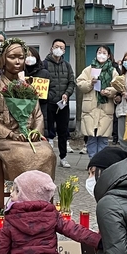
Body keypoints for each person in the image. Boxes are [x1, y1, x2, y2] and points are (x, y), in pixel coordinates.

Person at [0, 38, 57, 180]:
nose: (17, 62)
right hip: (3, 140)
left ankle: (41, 194)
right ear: (3, 60)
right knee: (20, 155)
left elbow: (38, 115)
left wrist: (36, 132)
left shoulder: (28, 87)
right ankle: (20, 193)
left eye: (21, 58)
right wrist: (10, 134)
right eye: (12, 57)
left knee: (48, 153)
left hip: (27, 138)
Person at [76, 46, 124, 159]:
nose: (101, 54)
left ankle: (101, 162)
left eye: (104, 53)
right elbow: (79, 83)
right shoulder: (88, 69)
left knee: (103, 137)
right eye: (99, 52)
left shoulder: (113, 71)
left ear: (108, 56)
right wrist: (90, 83)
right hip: (91, 107)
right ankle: (92, 161)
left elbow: (118, 87)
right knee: (91, 136)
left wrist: (108, 92)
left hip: (105, 107)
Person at [41, 38, 75, 169]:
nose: (58, 49)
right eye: (56, 46)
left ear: (64, 50)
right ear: (51, 48)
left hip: (63, 103)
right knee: (47, 131)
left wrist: (67, 94)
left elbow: (71, 82)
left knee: (63, 131)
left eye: (61, 47)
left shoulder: (67, 66)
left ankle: (63, 157)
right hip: (48, 102)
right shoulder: (44, 64)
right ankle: (47, 157)